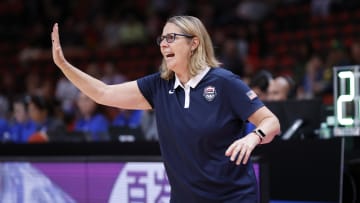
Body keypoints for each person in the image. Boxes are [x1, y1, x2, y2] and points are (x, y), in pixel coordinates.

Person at [51, 15, 280, 202]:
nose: (163, 44)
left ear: (194, 43)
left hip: (233, 198)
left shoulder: (224, 82)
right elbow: (103, 93)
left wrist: (253, 137)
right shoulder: (158, 86)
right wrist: (63, 65)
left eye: (171, 37)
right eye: (162, 38)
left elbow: (271, 122)